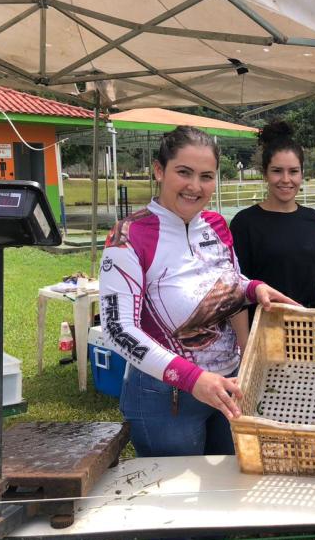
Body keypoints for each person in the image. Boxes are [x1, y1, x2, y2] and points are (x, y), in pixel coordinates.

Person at [99, 125, 297, 458]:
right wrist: (193, 379)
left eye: (206, 176)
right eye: (184, 172)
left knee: (231, 485)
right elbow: (118, 330)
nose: (195, 186)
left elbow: (228, 284)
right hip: (166, 397)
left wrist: (253, 287)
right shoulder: (129, 236)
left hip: (230, 385)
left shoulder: (217, 225)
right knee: (180, 499)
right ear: (160, 170)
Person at [231, 120, 315, 323]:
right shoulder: (245, 223)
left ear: (302, 173)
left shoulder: (314, 220)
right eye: (277, 171)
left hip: (309, 328)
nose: (286, 179)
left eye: (293, 171)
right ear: (265, 173)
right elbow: (237, 286)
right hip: (263, 327)